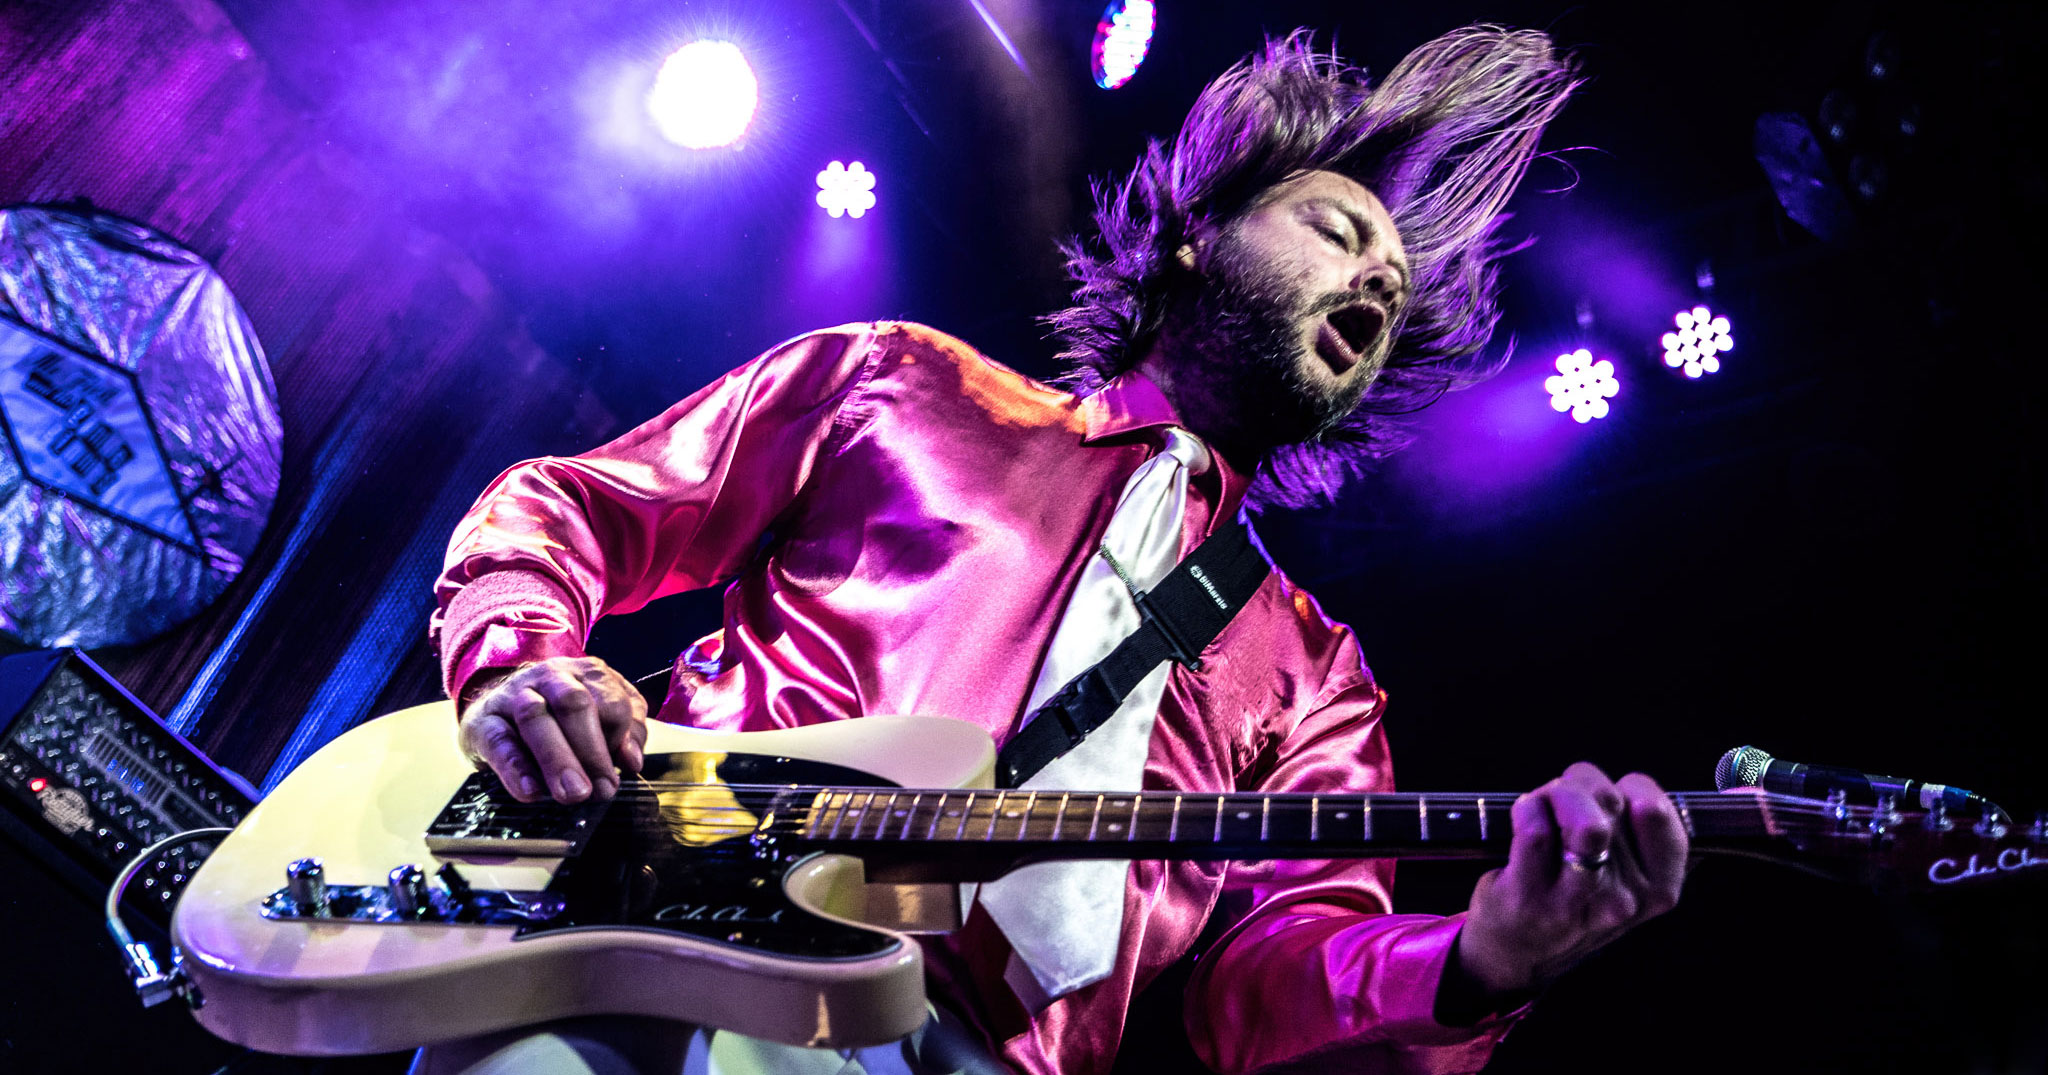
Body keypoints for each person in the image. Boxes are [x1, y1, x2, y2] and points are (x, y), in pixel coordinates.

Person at [429, 26, 1688, 1075]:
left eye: (1392, 290)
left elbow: (1264, 981)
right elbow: (575, 508)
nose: (1372, 280)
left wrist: (1481, 959)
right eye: (1335, 229)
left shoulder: (1316, 679)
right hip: (648, 910)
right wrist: (518, 666)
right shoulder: (906, 387)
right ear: (1199, 233)